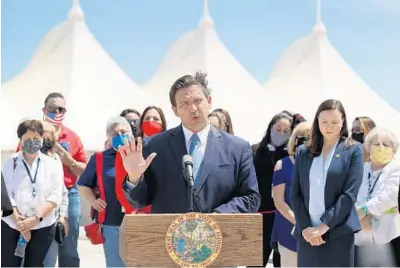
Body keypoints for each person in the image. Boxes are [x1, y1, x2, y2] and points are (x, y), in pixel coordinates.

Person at [121, 71, 260, 214]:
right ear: (175, 110)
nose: (193, 109)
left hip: (220, 234)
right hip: (169, 234)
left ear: (209, 101)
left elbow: (250, 197)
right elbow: (139, 201)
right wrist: (135, 178)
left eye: (198, 101)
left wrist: (217, 218)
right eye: (184, 104)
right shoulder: (154, 146)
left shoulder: (238, 148)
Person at [290, 99, 364, 267]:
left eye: (334, 122)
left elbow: (349, 194)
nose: (328, 126)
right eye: (324, 121)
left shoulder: (353, 149)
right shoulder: (303, 151)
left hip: (338, 232)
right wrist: (307, 228)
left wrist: (324, 227)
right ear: (317, 120)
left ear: (343, 121)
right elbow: (295, 193)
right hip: (307, 234)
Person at [1, 120, 63, 267]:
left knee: (35, 264)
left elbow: (55, 196)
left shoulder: (52, 164)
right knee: (9, 263)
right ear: (20, 140)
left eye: (36, 139)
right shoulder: (11, 162)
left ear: (42, 138)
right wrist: (21, 223)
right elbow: (5, 193)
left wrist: (35, 219)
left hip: (42, 225)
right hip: (12, 224)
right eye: (27, 139)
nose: (32, 143)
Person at [78, 117, 137, 267]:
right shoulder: (100, 159)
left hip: (138, 220)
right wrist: (93, 201)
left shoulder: (139, 154)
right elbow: (84, 184)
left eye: (123, 132)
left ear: (131, 133)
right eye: (114, 133)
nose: (119, 136)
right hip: (112, 222)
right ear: (108, 138)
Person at [42, 92, 88, 267]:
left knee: (68, 245)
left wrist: (69, 161)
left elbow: (85, 169)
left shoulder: (72, 137)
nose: (57, 112)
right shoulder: (32, 134)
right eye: (52, 108)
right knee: (42, 246)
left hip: (69, 194)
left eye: (61, 109)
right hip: (40, 196)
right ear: (44, 110)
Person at [251, 111, 294, 267]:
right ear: (270, 128)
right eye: (278, 129)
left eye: (286, 131)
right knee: (255, 262)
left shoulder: (289, 156)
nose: (281, 133)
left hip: (282, 216)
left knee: (281, 261)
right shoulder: (255, 151)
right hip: (260, 215)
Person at [354, 127, 400, 267]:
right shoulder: (361, 169)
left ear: (393, 150)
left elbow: (388, 197)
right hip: (360, 236)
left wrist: (362, 211)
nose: (380, 147)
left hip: (388, 236)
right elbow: (351, 196)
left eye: (386, 144)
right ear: (369, 147)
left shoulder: (396, 169)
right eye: (376, 144)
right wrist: (358, 219)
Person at [270, 121, 312, 267]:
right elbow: (279, 201)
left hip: (316, 231)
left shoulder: (322, 165)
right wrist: (301, 223)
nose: (305, 140)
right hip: (289, 229)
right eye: (301, 137)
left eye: (309, 136)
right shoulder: (282, 165)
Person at [39, 121, 70, 268]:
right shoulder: (22, 160)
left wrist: (62, 217)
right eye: (42, 132)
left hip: (51, 223)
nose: (45, 137)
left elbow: (62, 192)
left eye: (48, 133)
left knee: (49, 263)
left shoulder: (56, 159)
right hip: (30, 223)